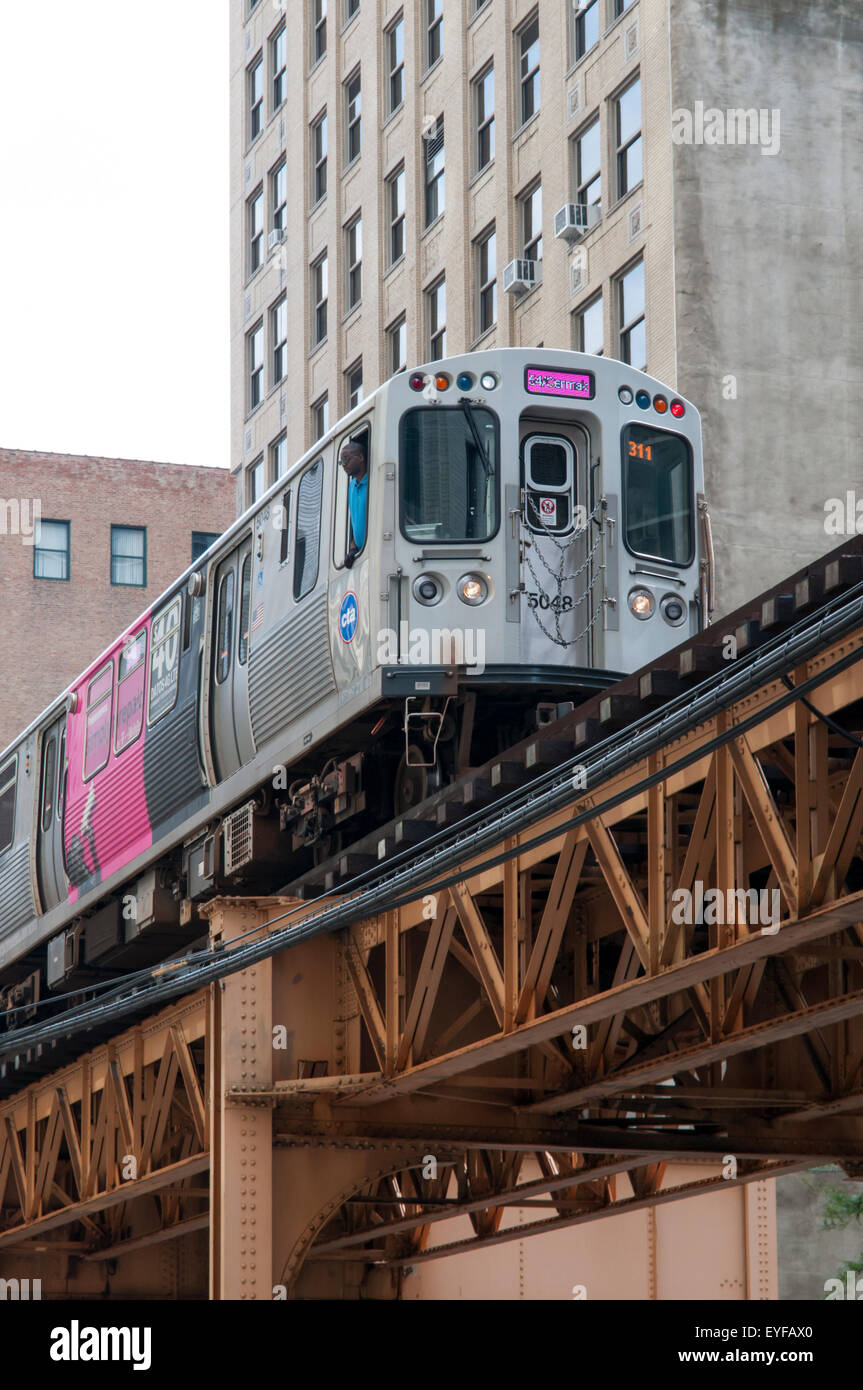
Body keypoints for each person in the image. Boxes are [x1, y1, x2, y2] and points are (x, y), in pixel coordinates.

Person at [339, 439, 368, 568]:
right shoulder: (351, 486)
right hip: (361, 555)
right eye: (341, 462)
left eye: (346, 459)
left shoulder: (372, 482)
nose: (344, 464)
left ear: (361, 457)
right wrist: (352, 549)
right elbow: (354, 523)